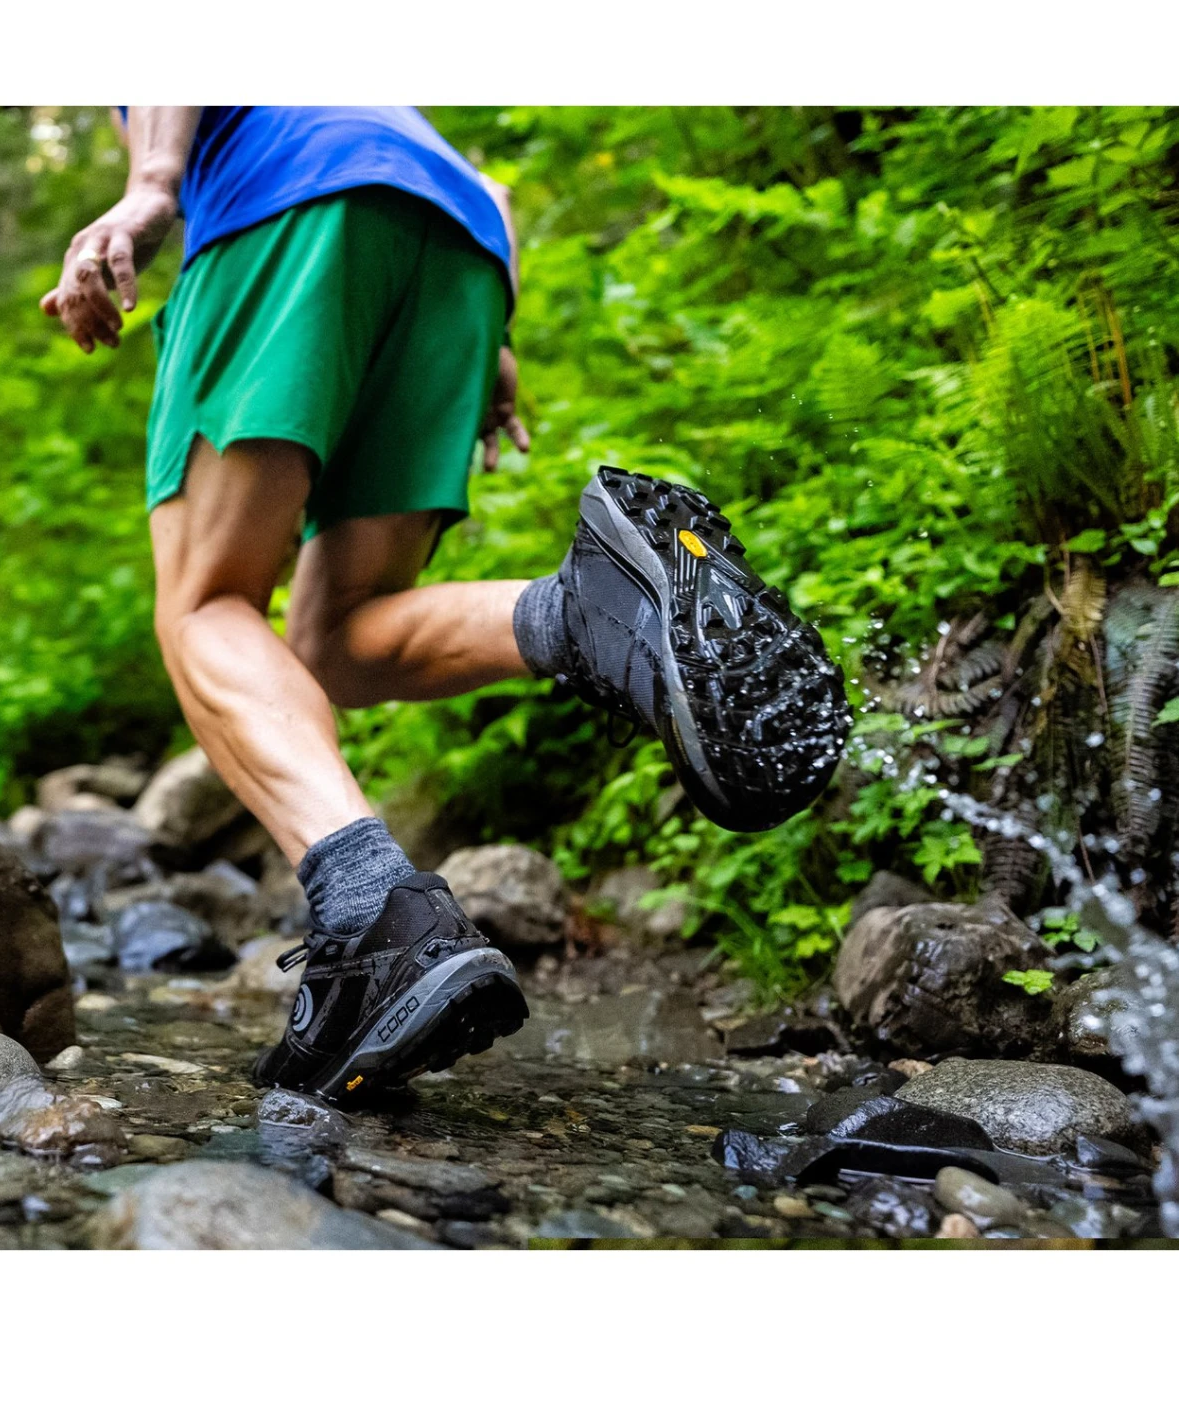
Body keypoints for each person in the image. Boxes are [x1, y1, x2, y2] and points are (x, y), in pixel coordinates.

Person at [43, 106, 852, 1104]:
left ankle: (368, 907)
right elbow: (494, 193)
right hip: (461, 238)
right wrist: (490, 338)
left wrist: (152, 183)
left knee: (205, 604)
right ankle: (587, 613)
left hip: (286, 207)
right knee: (336, 640)